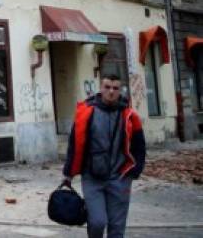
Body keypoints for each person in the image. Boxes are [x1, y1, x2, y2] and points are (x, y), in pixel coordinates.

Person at [63, 74, 146, 237]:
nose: (111, 92)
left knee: (117, 228)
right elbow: (74, 144)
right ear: (100, 88)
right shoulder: (87, 113)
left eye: (115, 88)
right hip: (92, 178)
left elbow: (139, 146)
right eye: (107, 87)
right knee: (97, 222)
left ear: (120, 90)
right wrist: (68, 173)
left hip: (119, 178)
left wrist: (134, 171)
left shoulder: (129, 116)